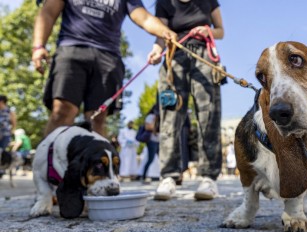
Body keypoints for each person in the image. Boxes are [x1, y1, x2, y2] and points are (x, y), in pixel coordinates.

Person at [32, 0, 177, 136]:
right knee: (62, 111)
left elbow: (145, 18)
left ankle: (95, 162)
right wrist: (39, 46)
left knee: (97, 119)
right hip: (71, 50)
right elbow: (48, 12)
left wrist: (165, 32)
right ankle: (50, 161)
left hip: (108, 57)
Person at [148, 0, 224, 200]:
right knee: (170, 117)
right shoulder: (164, 3)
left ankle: (209, 178)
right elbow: (161, 34)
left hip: (204, 57)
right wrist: (157, 50)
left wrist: (209, 31)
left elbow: (221, 31)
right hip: (175, 57)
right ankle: (169, 177)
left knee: (209, 115)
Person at [140, 104, 160, 183]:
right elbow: (147, 127)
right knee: (150, 159)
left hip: (159, 140)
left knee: (161, 158)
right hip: (151, 141)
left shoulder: (160, 117)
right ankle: (144, 175)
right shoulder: (150, 117)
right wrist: (155, 122)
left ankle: (161, 175)